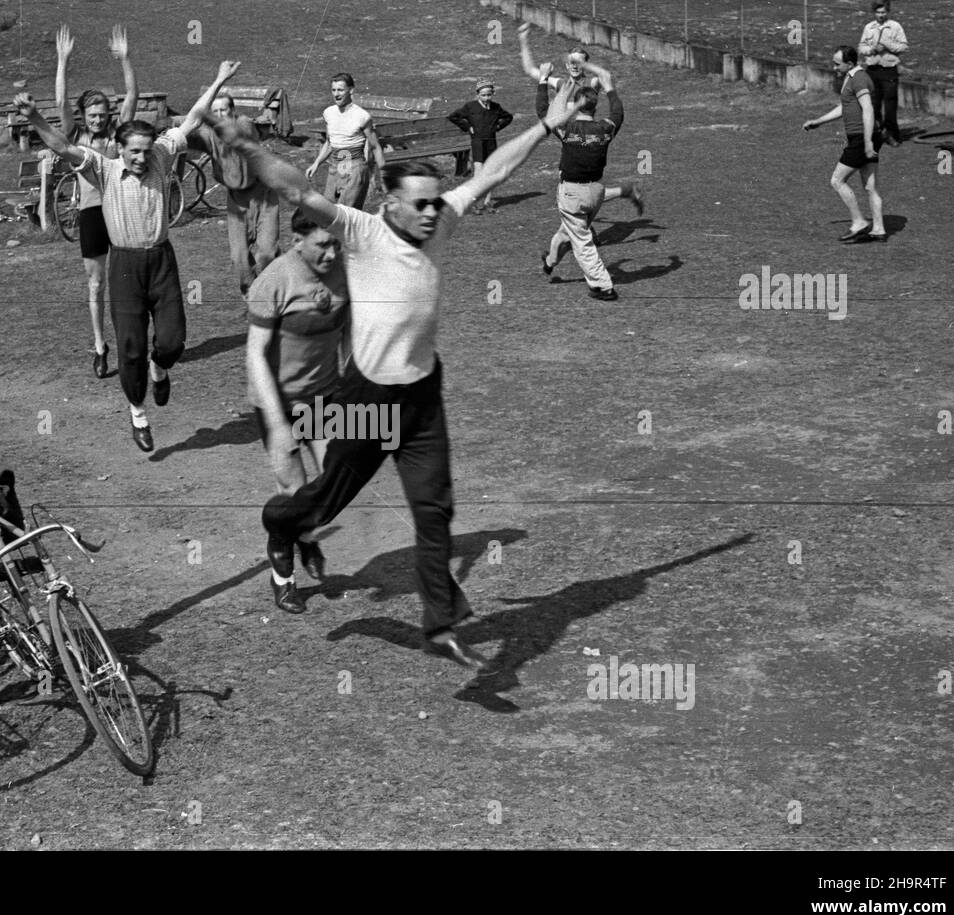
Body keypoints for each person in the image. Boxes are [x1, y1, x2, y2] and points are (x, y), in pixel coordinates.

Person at [203, 84, 584, 669]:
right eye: (423, 204)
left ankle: (440, 624)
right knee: (323, 502)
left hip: (423, 395)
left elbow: (494, 173)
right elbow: (296, 186)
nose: (435, 211)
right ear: (390, 205)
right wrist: (247, 148)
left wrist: (548, 127)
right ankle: (281, 530)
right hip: (368, 398)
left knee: (434, 509)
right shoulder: (361, 230)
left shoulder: (442, 223)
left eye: (437, 201)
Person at [16, 60, 243, 453]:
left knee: (171, 341)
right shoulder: (102, 169)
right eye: (134, 152)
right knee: (132, 347)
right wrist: (34, 115)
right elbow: (61, 145)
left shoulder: (162, 155)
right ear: (120, 150)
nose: (141, 158)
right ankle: (138, 413)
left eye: (145, 150)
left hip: (160, 261)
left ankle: (161, 368)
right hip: (124, 267)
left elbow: (192, 117)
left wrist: (220, 79)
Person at [245, 209, 348, 611]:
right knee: (293, 489)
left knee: (335, 484)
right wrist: (277, 421)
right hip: (278, 402)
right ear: (297, 242)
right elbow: (254, 355)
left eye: (336, 243)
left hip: (324, 397)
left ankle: (304, 535)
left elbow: (349, 335)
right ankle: (283, 573)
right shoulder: (274, 280)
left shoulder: (344, 272)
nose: (331, 253)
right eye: (323, 245)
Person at [52, 24, 140, 380]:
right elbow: (59, 103)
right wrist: (62, 61)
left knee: (128, 280)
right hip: (91, 213)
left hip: (120, 211)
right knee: (96, 283)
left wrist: (125, 59)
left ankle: (130, 342)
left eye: (103, 114)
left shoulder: (119, 134)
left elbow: (132, 95)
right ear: (85, 117)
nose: (99, 119)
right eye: (93, 115)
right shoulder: (77, 136)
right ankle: (100, 347)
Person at [520, 24, 644, 216]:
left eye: (579, 62)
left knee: (572, 185)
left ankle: (586, 222)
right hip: (568, 133)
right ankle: (623, 192)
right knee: (580, 186)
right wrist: (523, 40)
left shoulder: (591, 83)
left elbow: (604, 76)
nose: (574, 66)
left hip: (584, 134)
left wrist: (586, 66)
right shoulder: (561, 84)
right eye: (571, 62)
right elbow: (531, 70)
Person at [536, 60, 633, 301]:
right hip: (596, 193)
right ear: (594, 107)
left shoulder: (567, 129)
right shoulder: (606, 129)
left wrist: (542, 80)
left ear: (577, 105)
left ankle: (603, 286)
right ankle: (550, 262)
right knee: (568, 234)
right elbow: (618, 112)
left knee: (582, 242)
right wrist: (610, 87)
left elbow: (542, 114)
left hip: (572, 194)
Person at [189, 94, 281, 296]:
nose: (220, 115)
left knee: (267, 253)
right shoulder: (209, 135)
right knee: (238, 257)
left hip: (263, 194)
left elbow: (244, 130)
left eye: (224, 110)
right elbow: (187, 138)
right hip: (236, 199)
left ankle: (267, 290)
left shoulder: (244, 123)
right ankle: (250, 291)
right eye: (216, 111)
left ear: (233, 111)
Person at [804, 45, 886, 243]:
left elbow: (868, 110)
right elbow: (845, 107)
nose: (834, 67)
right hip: (865, 137)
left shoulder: (859, 79)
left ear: (849, 63)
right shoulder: (851, 78)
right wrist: (818, 122)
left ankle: (859, 221)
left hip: (862, 138)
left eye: (837, 64)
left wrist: (866, 142)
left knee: (837, 180)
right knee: (870, 186)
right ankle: (879, 230)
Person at [305, 73, 386, 209]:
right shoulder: (328, 113)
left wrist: (384, 174)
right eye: (333, 90)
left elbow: (375, 146)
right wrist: (316, 164)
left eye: (341, 90)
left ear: (351, 90)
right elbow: (330, 143)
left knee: (347, 215)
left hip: (354, 168)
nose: (336, 94)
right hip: (335, 167)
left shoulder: (361, 116)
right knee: (328, 212)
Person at [446, 80, 514, 213]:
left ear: (492, 94)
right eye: (483, 95)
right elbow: (453, 117)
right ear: (477, 94)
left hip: (491, 142)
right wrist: (467, 127)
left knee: (491, 172)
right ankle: (475, 203)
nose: (486, 98)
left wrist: (498, 126)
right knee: (478, 173)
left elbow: (508, 117)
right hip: (477, 142)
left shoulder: (496, 107)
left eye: (489, 95)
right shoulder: (470, 107)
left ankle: (488, 202)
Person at [857, 1, 908, 147]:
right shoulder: (869, 27)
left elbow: (904, 46)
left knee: (890, 104)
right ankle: (878, 133)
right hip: (872, 70)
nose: (881, 15)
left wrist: (888, 45)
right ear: (874, 13)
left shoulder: (895, 26)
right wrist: (872, 50)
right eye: (878, 12)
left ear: (888, 12)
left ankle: (892, 134)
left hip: (889, 70)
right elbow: (861, 47)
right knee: (874, 104)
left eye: (883, 12)